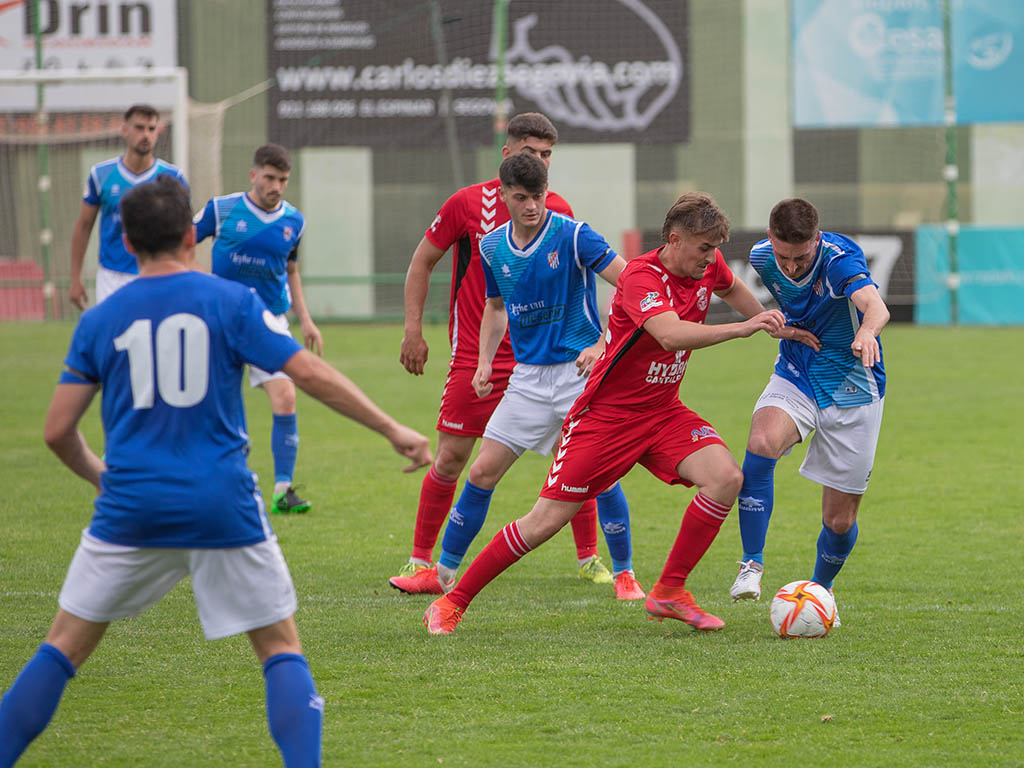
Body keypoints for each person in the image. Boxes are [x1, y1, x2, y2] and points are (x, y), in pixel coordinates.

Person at [0, 176, 432, 768]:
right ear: (188, 234)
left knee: (62, 649)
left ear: (125, 240)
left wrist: (103, 477)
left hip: (131, 509)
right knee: (280, 648)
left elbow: (56, 431)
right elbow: (307, 373)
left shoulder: (102, 319)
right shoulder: (229, 303)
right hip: (221, 503)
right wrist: (393, 429)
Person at [421, 192, 798, 635]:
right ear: (674, 240)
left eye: (715, 249)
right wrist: (745, 328)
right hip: (606, 419)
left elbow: (731, 287)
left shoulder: (705, 265)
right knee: (545, 521)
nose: (711, 259)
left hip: (661, 412)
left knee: (725, 479)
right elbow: (670, 334)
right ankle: (452, 601)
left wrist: (780, 327)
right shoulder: (641, 276)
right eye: (703, 248)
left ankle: (669, 591)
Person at [391, 112, 631, 594]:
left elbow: (625, 283)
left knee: (589, 466)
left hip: (569, 365)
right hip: (502, 363)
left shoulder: (567, 222)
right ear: (507, 162)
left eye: (546, 158)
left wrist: (602, 341)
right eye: (529, 156)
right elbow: (477, 294)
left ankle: (609, 567)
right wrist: (425, 334)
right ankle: (428, 567)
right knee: (461, 461)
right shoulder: (480, 224)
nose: (538, 167)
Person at [728, 198, 889, 623]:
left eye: (801, 257)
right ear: (769, 240)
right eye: (785, 256)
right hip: (797, 373)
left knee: (838, 521)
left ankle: (821, 591)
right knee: (762, 442)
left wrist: (868, 332)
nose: (793, 266)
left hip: (853, 388)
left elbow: (876, 306)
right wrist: (775, 324)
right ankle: (751, 564)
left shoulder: (838, 260)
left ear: (817, 239)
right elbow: (737, 288)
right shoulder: (762, 258)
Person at [194, 143, 323, 515]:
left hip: (269, 322)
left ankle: (283, 490)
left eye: (283, 180)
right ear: (253, 175)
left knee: (286, 397)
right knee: (220, 405)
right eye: (269, 178)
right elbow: (182, 243)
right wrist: (199, 286)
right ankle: (219, 484)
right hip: (221, 320)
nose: (276, 187)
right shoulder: (222, 209)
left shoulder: (293, 222)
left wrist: (306, 319)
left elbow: (292, 271)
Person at [70, 104, 189, 309]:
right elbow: (83, 225)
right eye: (139, 128)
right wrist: (74, 278)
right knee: (113, 338)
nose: (146, 135)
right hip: (112, 276)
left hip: (157, 273)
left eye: (151, 129)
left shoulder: (172, 178)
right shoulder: (101, 175)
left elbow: (187, 231)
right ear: (124, 130)